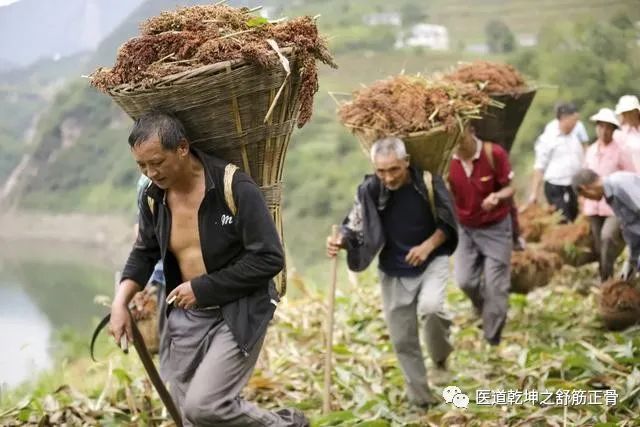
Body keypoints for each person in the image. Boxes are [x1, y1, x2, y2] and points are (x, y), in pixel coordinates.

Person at [109, 111, 307, 427]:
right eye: (142, 166)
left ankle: (286, 424)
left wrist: (201, 288)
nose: (151, 172)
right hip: (187, 315)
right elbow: (144, 252)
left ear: (183, 148)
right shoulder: (152, 197)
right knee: (188, 414)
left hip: (239, 309)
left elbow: (269, 259)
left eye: (157, 162)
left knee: (206, 406)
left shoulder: (234, 186)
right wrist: (120, 304)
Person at [326, 137, 459, 409]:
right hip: (393, 270)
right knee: (403, 339)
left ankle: (441, 357)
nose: (387, 177)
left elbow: (449, 222)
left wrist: (427, 246)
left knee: (432, 308)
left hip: (432, 261)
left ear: (406, 163)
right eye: (381, 171)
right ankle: (421, 401)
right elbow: (355, 223)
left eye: (394, 169)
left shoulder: (428, 183)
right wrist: (340, 240)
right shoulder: (371, 189)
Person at [448, 126, 514, 346]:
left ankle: (492, 338)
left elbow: (510, 189)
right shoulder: (448, 162)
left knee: (496, 287)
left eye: (461, 137)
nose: (458, 143)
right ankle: (481, 305)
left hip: (495, 228)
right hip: (466, 229)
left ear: (471, 130)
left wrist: (496, 196)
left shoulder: (493, 153)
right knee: (465, 280)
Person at [582, 108, 635, 281]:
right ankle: (605, 276)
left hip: (613, 206)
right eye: (601, 127)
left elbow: (631, 177)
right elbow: (584, 175)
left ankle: (607, 279)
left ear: (613, 130)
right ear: (597, 128)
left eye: (608, 128)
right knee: (599, 245)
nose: (604, 131)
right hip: (593, 205)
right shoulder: (590, 150)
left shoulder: (621, 151)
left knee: (607, 237)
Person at [572, 169, 640, 281]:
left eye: (585, 196)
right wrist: (632, 261)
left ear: (585, 189)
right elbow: (632, 230)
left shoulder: (619, 185)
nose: (589, 200)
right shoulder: (612, 197)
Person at [523, 102, 584, 222]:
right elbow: (539, 166)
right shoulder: (548, 138)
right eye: (573, 120)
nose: (575, 124)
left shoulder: (575, 136)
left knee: (574, 216)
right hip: (555, 186)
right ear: (563, 118)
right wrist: (534, 193)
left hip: (573, 185)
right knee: (562, 219)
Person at [613, 95, 640, 172]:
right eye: (624, 113)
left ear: (636, 112)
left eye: (629, 113)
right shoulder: (619, 134)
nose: (627, 116)